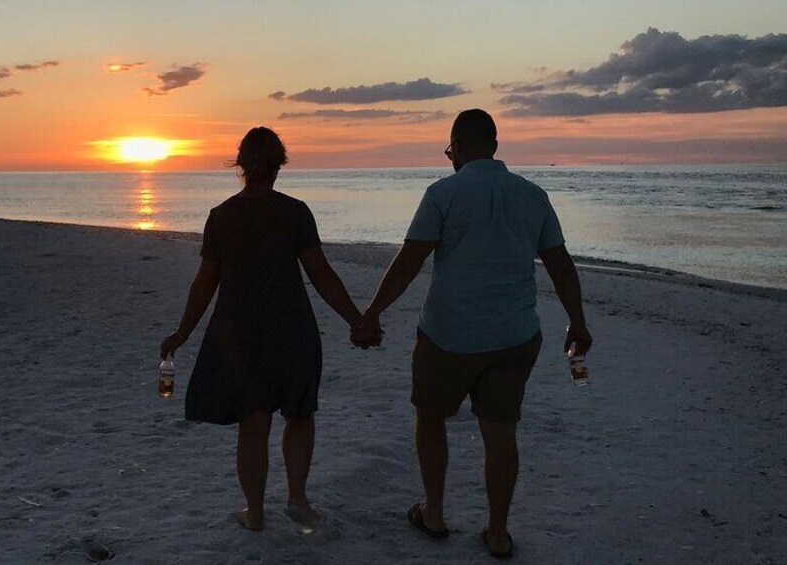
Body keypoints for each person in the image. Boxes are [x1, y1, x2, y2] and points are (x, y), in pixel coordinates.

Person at [352, 109, 592, 559]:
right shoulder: (532, 195)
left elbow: (410, 262)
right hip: (515, 335)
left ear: (457, 146)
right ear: (495, 146)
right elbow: (560, 265)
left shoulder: (444, 193)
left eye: (450, 150)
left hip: (449, 334)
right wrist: (577, 322)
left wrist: (372, 313)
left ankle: (436, 513)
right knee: (501, 432)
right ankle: (498, 532)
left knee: (430, 417)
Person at [160, 127, 365, 532]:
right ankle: (298, 502)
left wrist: (183, 332)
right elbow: (321, 274)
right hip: (292, 329)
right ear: (279, 166)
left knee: (254, 420)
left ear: (240, 166)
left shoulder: (222, 216)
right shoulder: (294, 212)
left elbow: (205, 281)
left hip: (240, 333)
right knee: (299, 413)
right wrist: (357, 320)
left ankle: (254, 511)